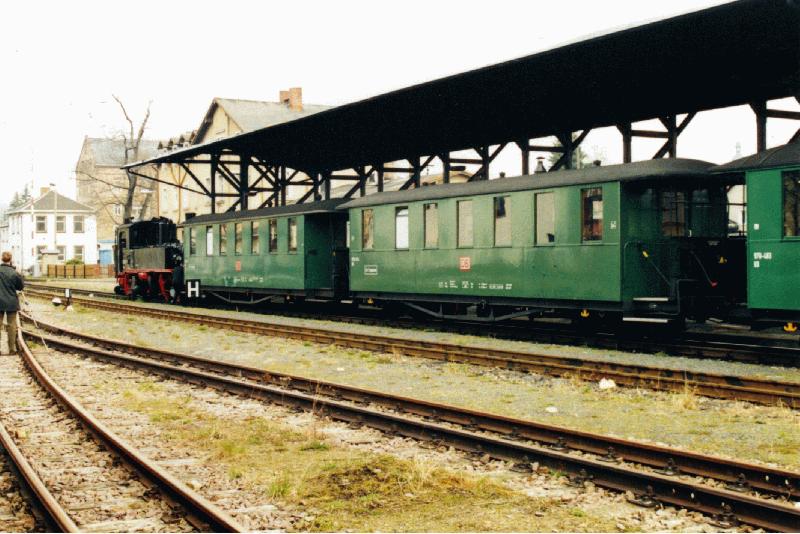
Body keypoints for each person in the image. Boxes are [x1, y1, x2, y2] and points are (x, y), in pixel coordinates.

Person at [0, 252, 24, 354]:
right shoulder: (14, 272)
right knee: (12, 325)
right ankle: (11, 349)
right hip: (11, 302)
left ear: (1, 259)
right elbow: (20, 287)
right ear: (10, 260)